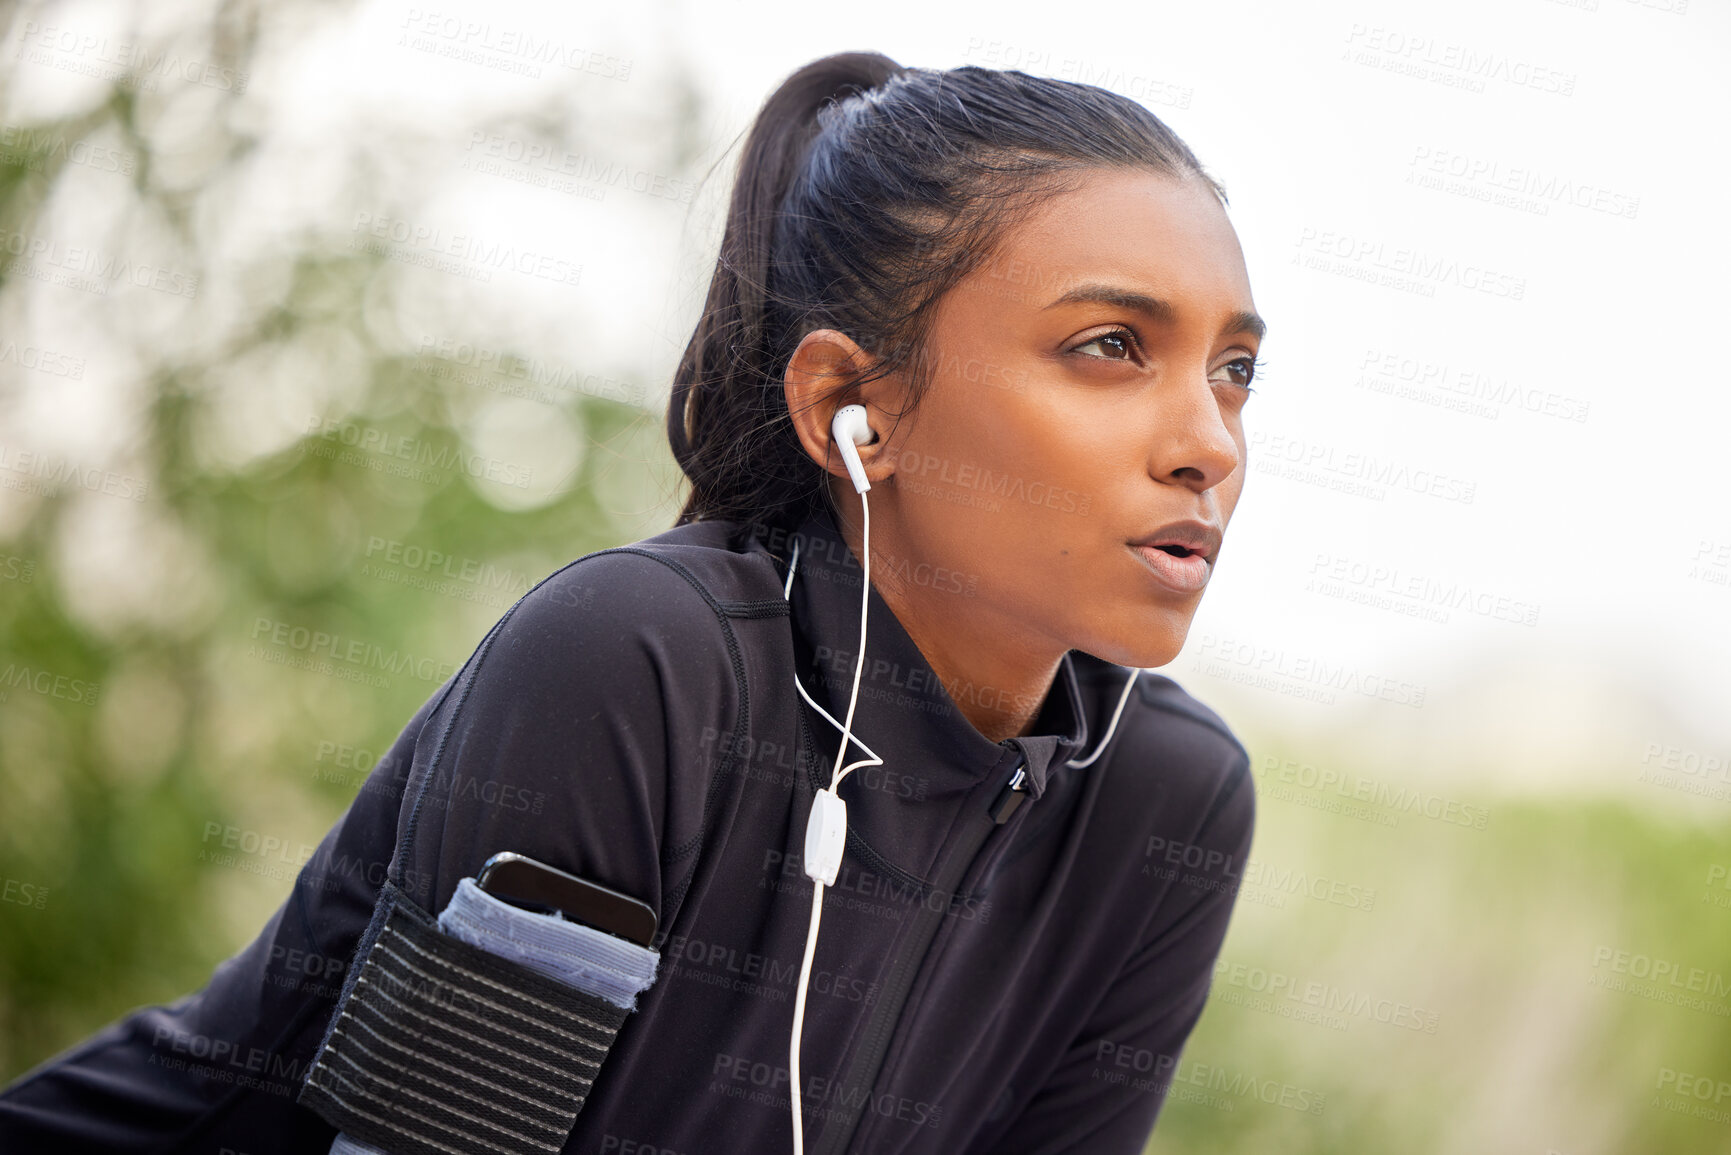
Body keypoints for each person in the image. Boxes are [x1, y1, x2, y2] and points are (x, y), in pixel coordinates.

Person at [0, 49, 1262, 1154]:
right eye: (1109, 347)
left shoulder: (1169, 800)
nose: (1208, 439)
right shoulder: (642, 667)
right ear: (850, 412)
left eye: (1236, 369)